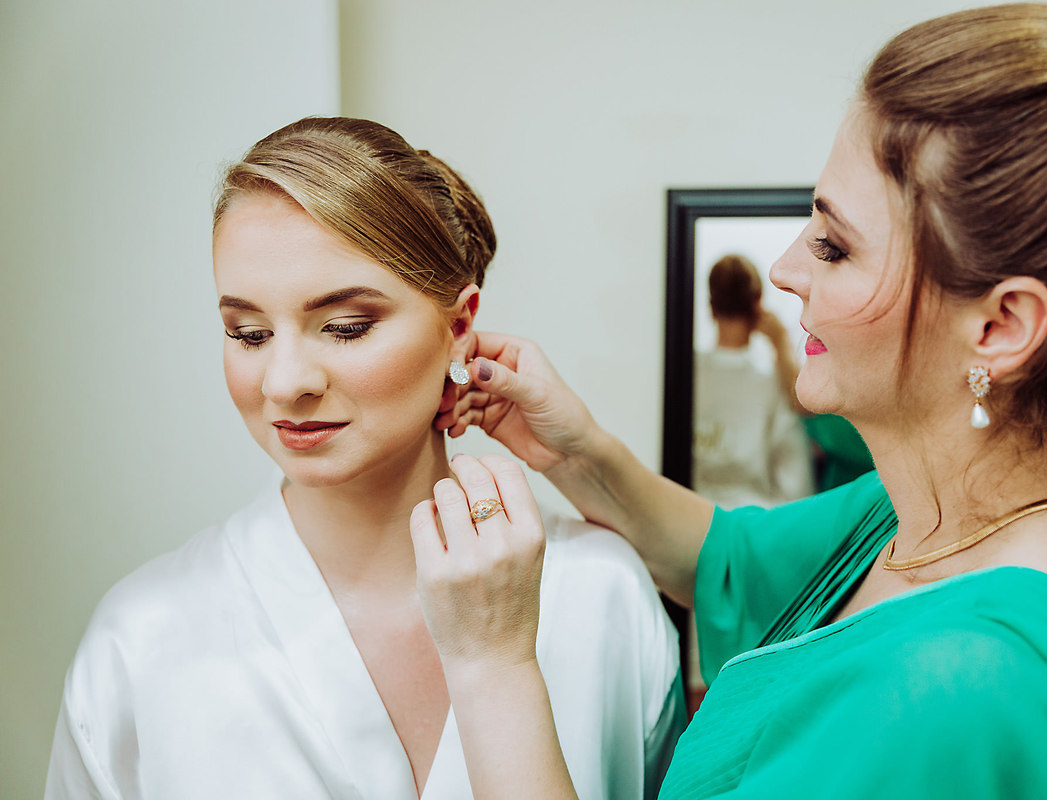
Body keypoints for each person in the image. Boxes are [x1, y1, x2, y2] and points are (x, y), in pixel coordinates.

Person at [415, 5, 1047, 797]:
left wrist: (491, 662)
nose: (788, 268)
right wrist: (570, 446)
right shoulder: (925, 515)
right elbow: (721, 558)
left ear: (1000, 326)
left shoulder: (962, 693)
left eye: (834, 244)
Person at [44, 117, 683, 799]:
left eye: (345, 327)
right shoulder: (140, 641)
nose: (285, 381)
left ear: (460, 326)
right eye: (248, 333)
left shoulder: (602, 597)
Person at [692, 254, 813, 508]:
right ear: (757, 304)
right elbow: (795, 481)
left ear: (711, 305)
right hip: (753, 523)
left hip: (687, 512)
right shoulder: (772, 381)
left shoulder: (685, 371)